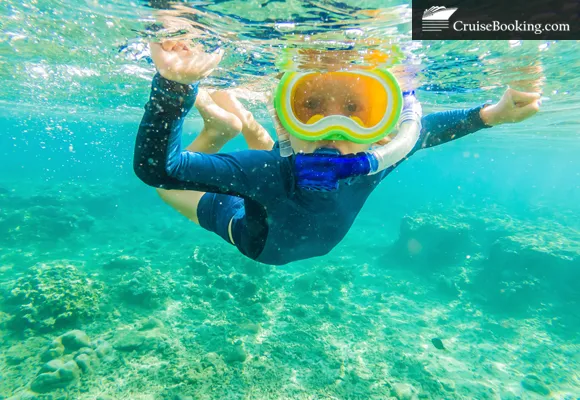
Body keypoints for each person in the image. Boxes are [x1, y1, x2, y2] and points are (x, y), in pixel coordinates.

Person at [134, 40, 541, 266]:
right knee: (166, 191)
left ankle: (230, 125)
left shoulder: (378, 160)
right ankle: (224, 129)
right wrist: (172, 87)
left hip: (270, 176)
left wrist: (493, 114)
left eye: (354, 112)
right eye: (308, 109)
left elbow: (427, 131)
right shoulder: (266, 171)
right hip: (254, 240)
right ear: (286, 118)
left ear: (384, 129)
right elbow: (161, 172)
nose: (331, 132)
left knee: (273, 165)